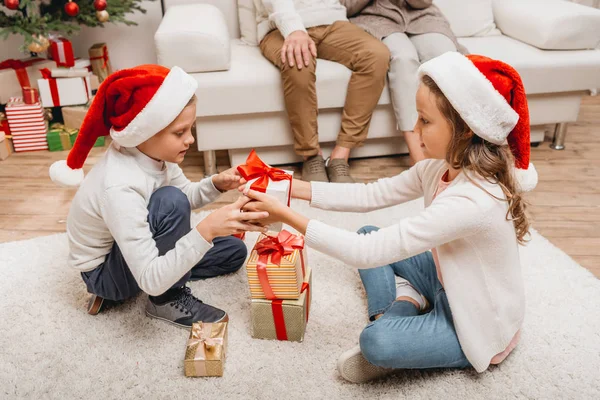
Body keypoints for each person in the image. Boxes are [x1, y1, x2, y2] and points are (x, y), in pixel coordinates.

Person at [240, 52, 538, 382]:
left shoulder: (473, 201)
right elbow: (370, 195)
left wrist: (286, 214)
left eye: (425, 120)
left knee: (375, 340)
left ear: (465, 129)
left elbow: (363, 255)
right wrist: (291, 187)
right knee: (369, 233)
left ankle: (395, 318)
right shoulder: (438, 168)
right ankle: (405, 302)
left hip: (477, 324)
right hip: (446, 279)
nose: (415, 128)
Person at [49, 65, 269, 328]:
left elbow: (186, 194)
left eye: (191, 129)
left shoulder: (153, 154)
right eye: (180, 133)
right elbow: (174, 207)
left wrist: (216, 184)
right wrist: (205, 230)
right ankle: (165, 298)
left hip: (129, 249)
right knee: (170, 204)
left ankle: (168, 271)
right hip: (106, 273)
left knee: (233, 251)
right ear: (145, 131)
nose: (190, 140)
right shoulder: (120, 186)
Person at [256, 0, 390, 183]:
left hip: (332, 22)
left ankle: (340, 156)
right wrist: (294, 29)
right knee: (298, 63)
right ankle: (311, 156)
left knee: (376, 55)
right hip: (278, 28)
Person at [342, 0, 465, 164]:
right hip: (374, 17)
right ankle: (417, 157)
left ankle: (451, 148)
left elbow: (423, 3)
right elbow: (346, 6)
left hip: (422, 17)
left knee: (445, 53)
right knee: (403, 58)